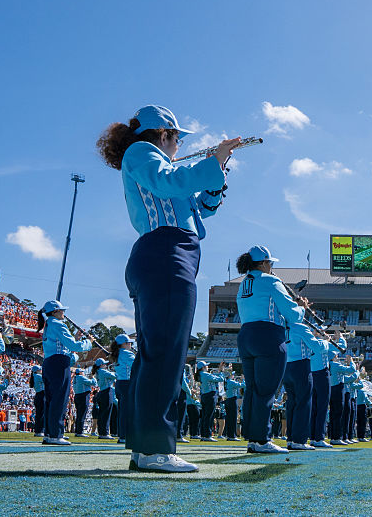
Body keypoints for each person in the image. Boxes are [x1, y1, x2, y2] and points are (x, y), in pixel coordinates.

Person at [98, 104, 240, 473]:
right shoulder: (142, 152)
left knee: (156, 355)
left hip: (168, 253)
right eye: (177, 138)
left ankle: (144, 448)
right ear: (164, 134)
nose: (179, 145)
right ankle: (155, 448)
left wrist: (217, 174)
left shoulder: (162, 166)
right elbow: (169, 183)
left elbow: (200, 209)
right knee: (165, 354)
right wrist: (212, 162)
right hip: (166, 252)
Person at [235, 245, 304, 453]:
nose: (272, 266)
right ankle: (261, 439)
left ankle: (252, 437)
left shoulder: (244, 284)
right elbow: (292, 315)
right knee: (266, 390)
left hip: (246, 335)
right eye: (270, 263)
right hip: (268, 335)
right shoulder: (271, 281)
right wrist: (301, 307)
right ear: (264, 263)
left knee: (252, 389)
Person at [38, 300, 93, 445]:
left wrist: (76, 338)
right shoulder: (58, 324)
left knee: (51, 400)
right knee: (59, 399)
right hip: (59, 363)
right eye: (62, 310)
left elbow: (62, 344)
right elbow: (73, 346)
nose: (64, 313)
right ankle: (56, 434)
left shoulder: (49, 324)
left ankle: (50, 433)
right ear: (55, 311)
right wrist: (88, 342)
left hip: (49, 362)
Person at [284, 318, 325, 450]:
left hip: (286, 366)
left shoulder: (282, 326)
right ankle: (299, 440)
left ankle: (290, 439)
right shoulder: (301, 327)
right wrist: (324, 340)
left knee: (292, 403)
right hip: (301, 365)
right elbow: (316, 347)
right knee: (303, 402)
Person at [310, 330, 345, 448]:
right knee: (322, 407)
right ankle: (319, 438)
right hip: (321, 374)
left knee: (314, 408)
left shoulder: (309, 341)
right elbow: (341, 347)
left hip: (311, 374)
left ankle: (313, 437)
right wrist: (340, 337)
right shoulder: (323, 344)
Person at [112, 334, 136, 444]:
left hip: (120, 383)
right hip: (127, 383)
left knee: (123, 411)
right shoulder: (127, 353)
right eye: (129, 343)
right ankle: (125, 435)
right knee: (128, 411)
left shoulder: (117, 354)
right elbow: (136, 366)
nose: (131, 344)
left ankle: (123, 434)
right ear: (124, 344)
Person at [195, 361, 223, 441]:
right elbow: (220, 379)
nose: (208, 367)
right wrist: (220, 372)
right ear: (203, 367)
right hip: (210, 396)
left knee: (205, 416)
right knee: (209, 416)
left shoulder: (201, 375)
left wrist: (219, 371)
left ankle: (204, 435)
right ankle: (208, 435)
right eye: (206, 366)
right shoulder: (205, 374)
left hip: (204, 396)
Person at [93, 358, 117, 439]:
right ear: (101, 365)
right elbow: (115, 376)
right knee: (106, 413)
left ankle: (102, 432)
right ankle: (105, 433)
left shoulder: (98, 372)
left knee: (102, 414)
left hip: (102, 392)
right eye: (104, 364)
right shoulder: (102, 371)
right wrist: (115, 370)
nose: (106, 365)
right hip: (106, 392)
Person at [73, 367, 96, 437]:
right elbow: (93, 383)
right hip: (83, 396)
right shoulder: (81, 377)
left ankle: (77, 431)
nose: (83, 373)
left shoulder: (75, 378)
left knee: (79, 414)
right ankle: (80, 432)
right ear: (80, 372)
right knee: (82, 414)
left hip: (77, 396)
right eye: (82, 372)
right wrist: (93, 377)